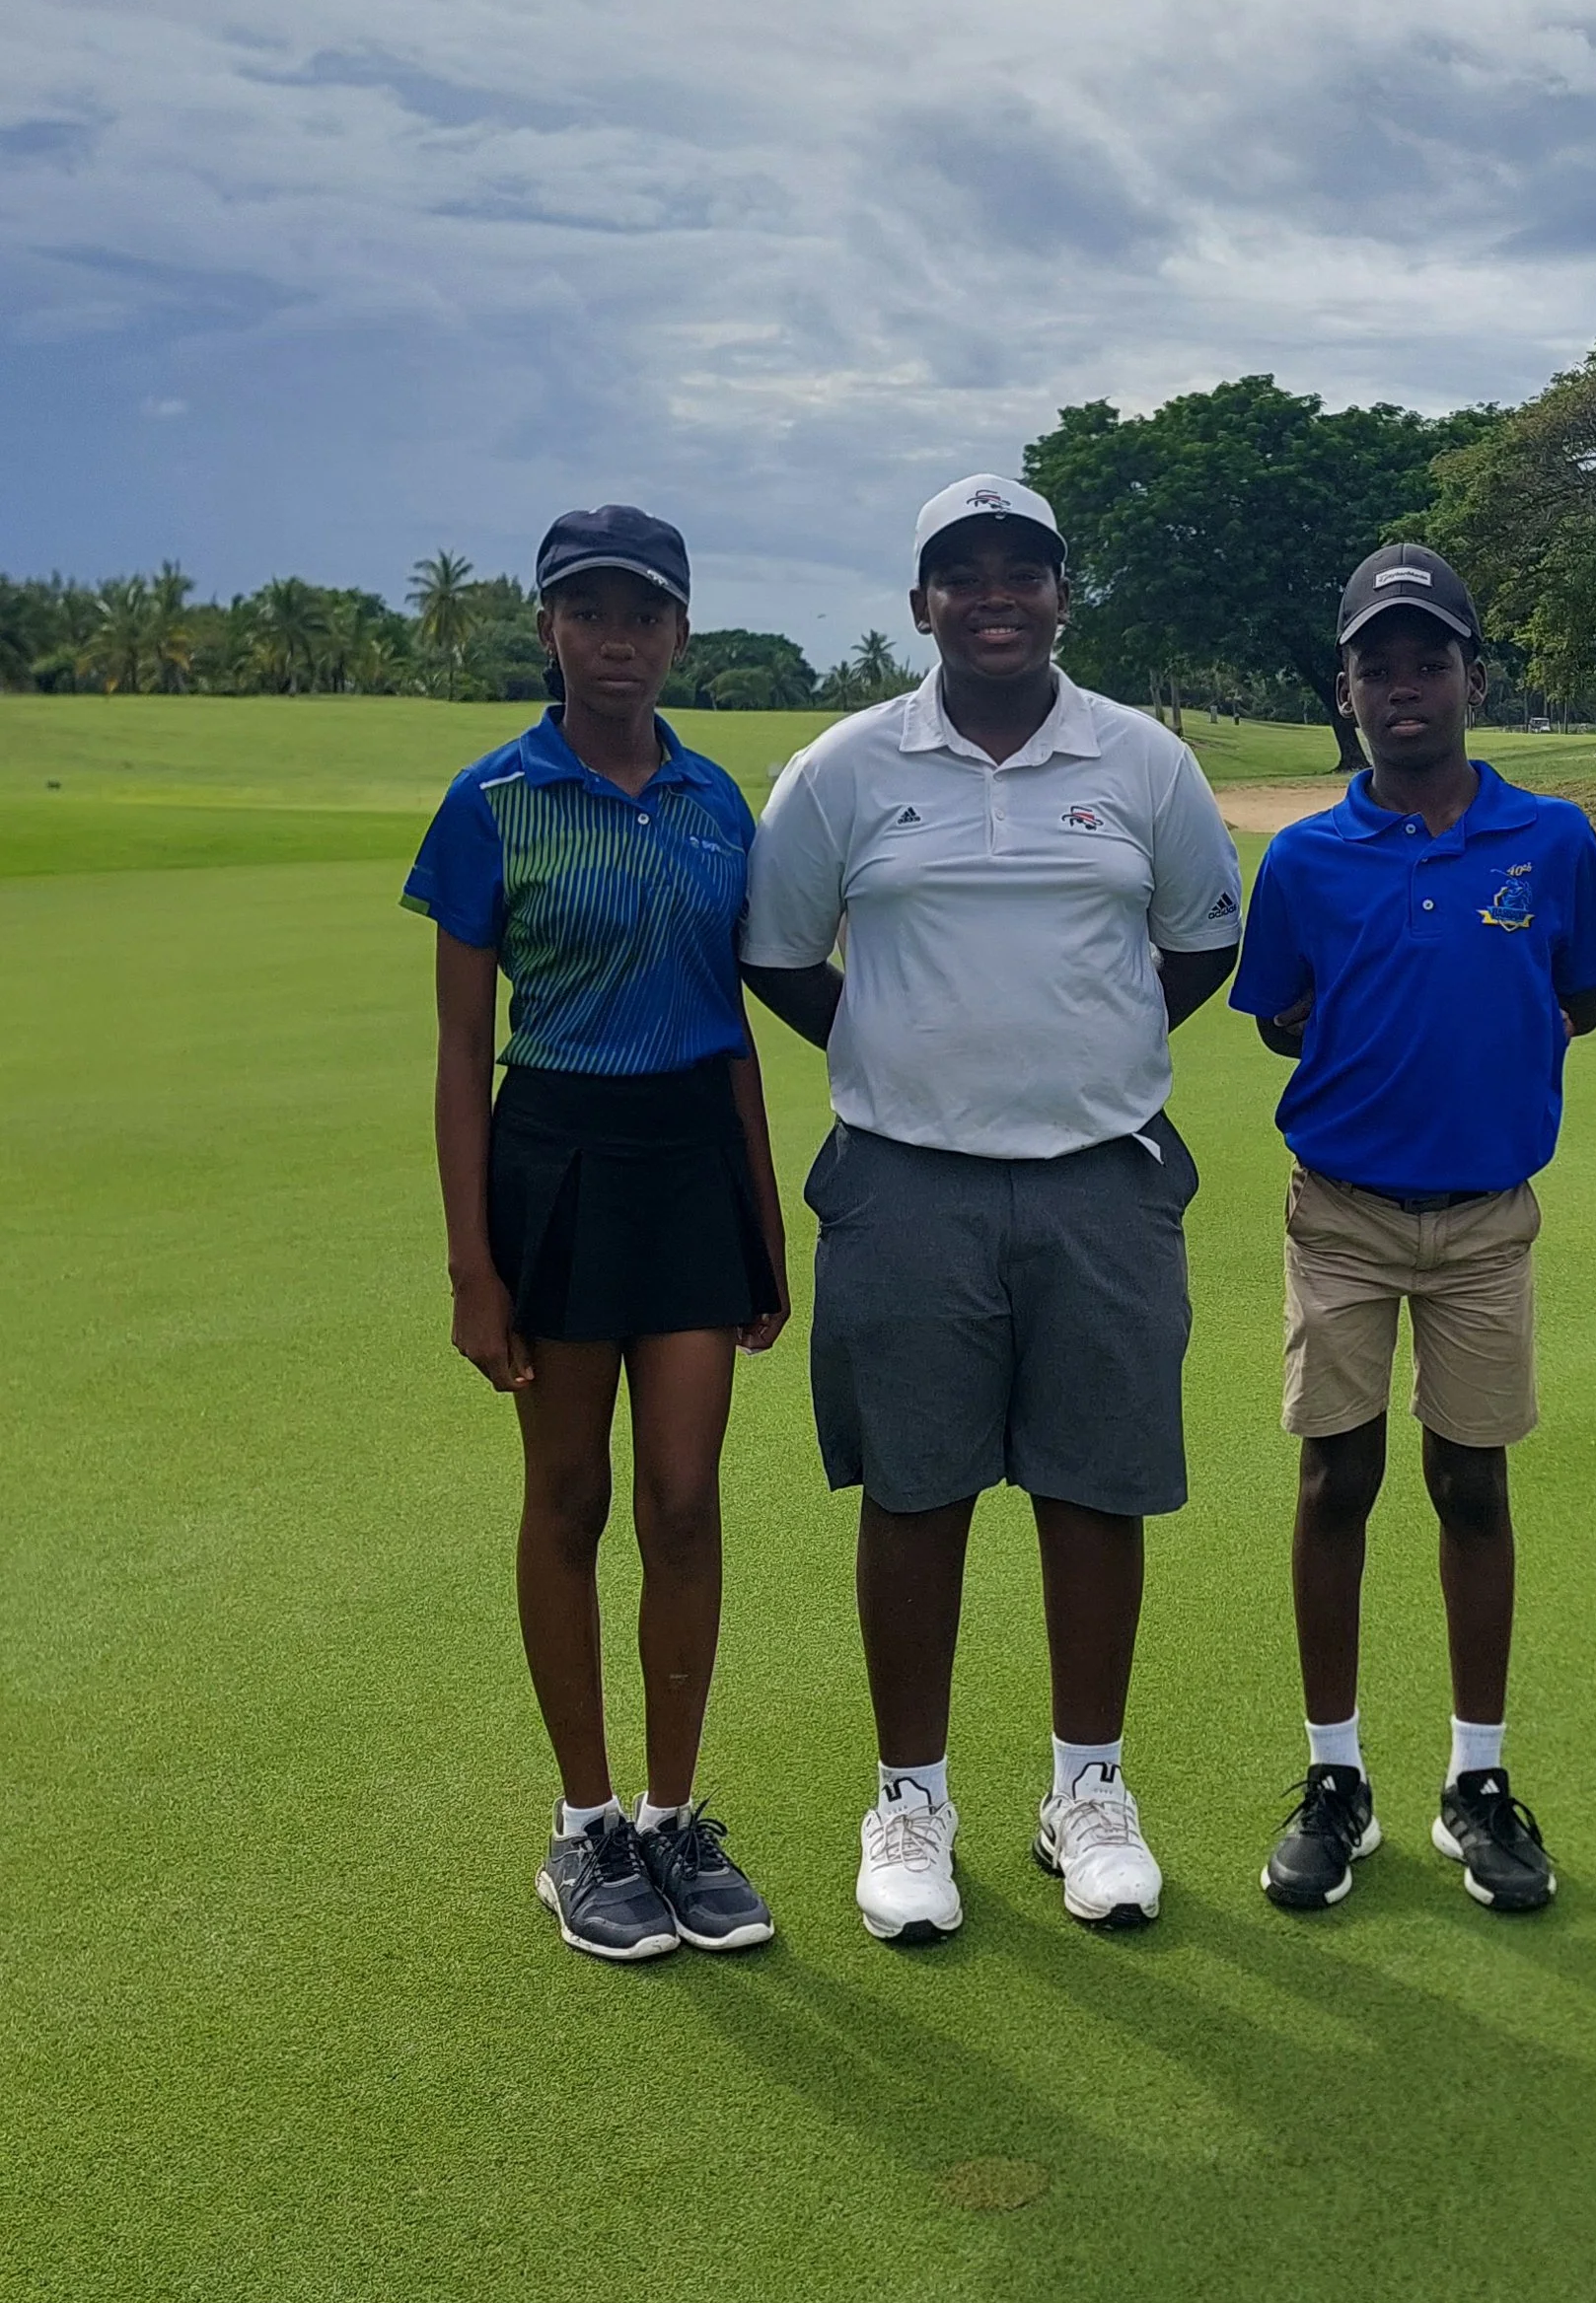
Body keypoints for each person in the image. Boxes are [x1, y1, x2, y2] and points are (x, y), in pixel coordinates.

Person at [739, 475, 1243, 1946]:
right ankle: (910, 1801)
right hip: (905, 1183)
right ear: (921, 605)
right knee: (914, 1489)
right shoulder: (843, 769)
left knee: (1097, 1487)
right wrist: (898, 1047)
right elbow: (778, 956)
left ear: (1063, 596)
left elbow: (1198, 942)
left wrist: (1081, 1047)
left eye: (1023, 568)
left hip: (1102, 1176)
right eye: (964, 572)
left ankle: (1088, 1790)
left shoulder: (1145, 764)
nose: (995, 591)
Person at [404, 507, 790, 1967]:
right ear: (549, 627)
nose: (617, 639)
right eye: (590, 612)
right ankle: (585, 1828)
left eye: (644, 614)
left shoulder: (715, 800)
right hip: (553, 1155)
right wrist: (470, 1265)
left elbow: (740, 1027)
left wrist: (764, 1222)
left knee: (682, 1498)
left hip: (690, 1157)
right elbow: (458, 1057)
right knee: (568, 1495)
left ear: (680, 632)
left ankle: (674, 1815)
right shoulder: (491, 800)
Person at [1227, 545, 1596, 1916]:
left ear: (1473, 674)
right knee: (1336, 1478)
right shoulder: (1304, 859)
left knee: (1472, 1483)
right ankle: (1336, 1777)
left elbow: (1575, 997)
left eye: (1427, 661)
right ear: (1347, 691)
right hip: (1339, 1214)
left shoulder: (1551, 842)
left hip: (1483, 1225)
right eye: (1375, 667)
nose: (1402, 687)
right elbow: (1285, 1009)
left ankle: (1476, 1780)